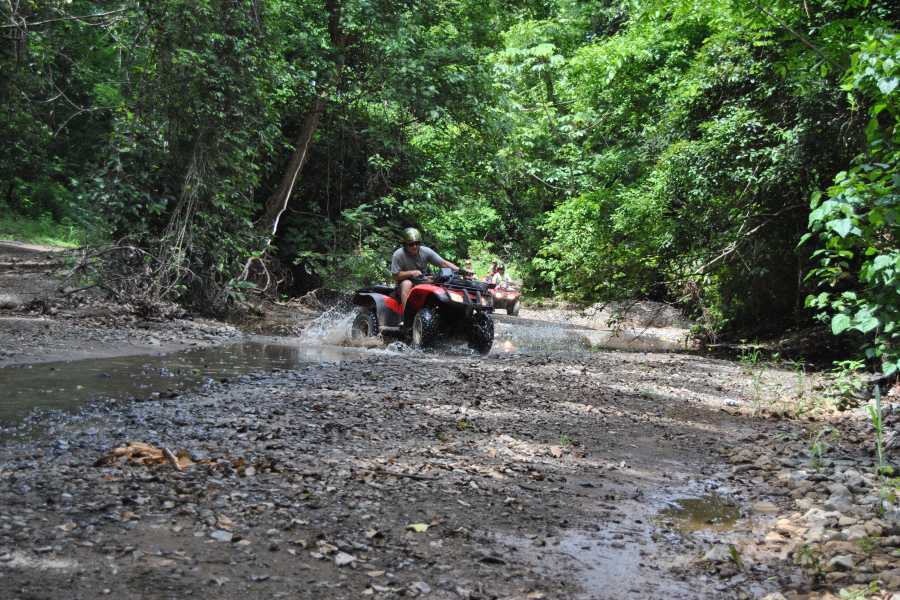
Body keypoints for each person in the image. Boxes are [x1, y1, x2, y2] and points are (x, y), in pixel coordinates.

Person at [390, 227, 458, 309]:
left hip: (423, 279)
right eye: (411, 244)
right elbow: (395, 276)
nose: (414, 246)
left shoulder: (425, 251)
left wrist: (460, 270)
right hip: (403, 284)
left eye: (417, 243)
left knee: (442, 280)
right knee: (407, 283)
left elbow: (443, 263)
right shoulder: (398, 255)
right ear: (404, 244)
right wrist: (411, 273)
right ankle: (407, 316)